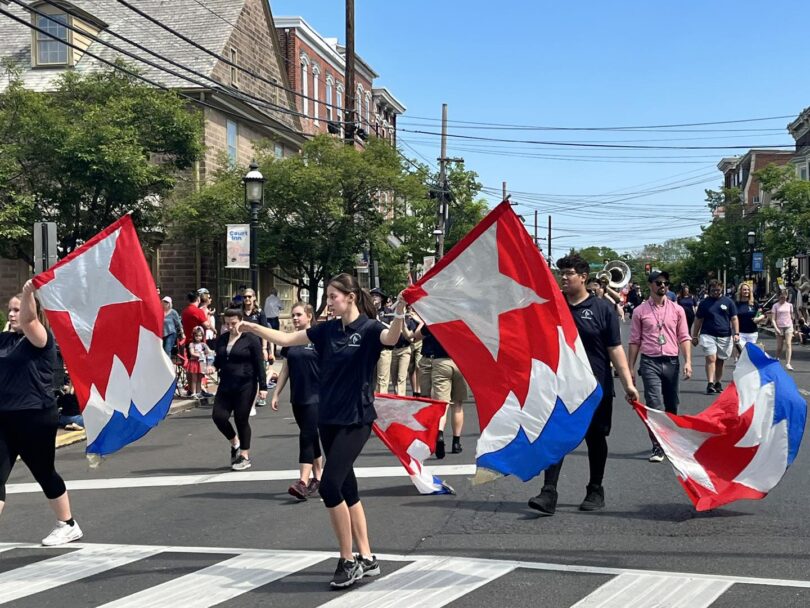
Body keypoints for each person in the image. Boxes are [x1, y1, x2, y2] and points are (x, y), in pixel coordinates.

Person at [239, 273, 406, 589]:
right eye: (327, 297)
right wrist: (251, 327)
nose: (328, 303)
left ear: (350, 297)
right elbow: (287, 340)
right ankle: (368, 558)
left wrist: (399, 312)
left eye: (333, 297)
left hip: (356, 420)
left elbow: (392, 339)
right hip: (328, 419)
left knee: (329, 486)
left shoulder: (369, 329)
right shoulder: (326, 330)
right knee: (347, 489)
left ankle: (347, 561)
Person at [528, 255, 638, 516]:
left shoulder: (602, 310)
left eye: (569, 274)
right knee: (556, 437)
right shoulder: (554, 308)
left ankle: (595, 488)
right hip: (562, 388)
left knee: (596, 438)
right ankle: (548, 492)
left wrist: (628, 384)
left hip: (596, 388)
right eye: (561, 273)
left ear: (583, 278)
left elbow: (615, 348)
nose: (563, 278)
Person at [0, 281, 82, 546]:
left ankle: (68, 524)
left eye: (17, 309)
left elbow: (29, 319)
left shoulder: (41, 339)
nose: (13, 314)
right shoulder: (4, 340)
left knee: (44, 472)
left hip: (35, 415)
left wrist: (27, 293)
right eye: (9, 310)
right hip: (5, 417)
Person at [627, 271, 692, 463]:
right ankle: (657, 446)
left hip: (671, 360)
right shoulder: (640, 311)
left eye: (665, 283)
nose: (662, 286)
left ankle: (670, 442)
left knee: (672, 404)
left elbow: (684, 336)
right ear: (650, 285)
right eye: (658, 283)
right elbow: (634, 341)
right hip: (650, 361)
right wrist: (630, 367)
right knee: (654, 405)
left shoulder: (677, 310)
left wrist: (688, 361)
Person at [272, 302, 322, 500]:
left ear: (309, 316)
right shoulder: (290, 340)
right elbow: (286, 368)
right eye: (293, 315)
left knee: (306, 436)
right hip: (298, 397)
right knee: (310, 435)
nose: (294, 318)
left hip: (316, 396)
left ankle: (302, 481)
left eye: (299, 315)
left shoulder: (318, 338)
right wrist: (276, 393)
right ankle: (319, 477)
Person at [212, 309, 267, 471]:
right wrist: (211, 366)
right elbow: (219, 360)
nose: (231, 327)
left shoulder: (250, 339)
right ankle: (234, 442)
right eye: (227, 324)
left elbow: (259, 364)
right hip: (226, 384)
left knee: (241, 419)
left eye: (234, 323)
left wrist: (263, 386)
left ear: (242, 321)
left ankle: (244, 455)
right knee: (218, 416)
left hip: (246, 384)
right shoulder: (222, 339)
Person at [413, 321, 468, 457]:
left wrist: (421, 322)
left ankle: (439, 434)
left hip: (439, 361)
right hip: (460, 361)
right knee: (458, 404)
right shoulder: (463, 320)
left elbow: (416, 336)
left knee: (441, 404)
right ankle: (456, 442)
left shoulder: (435, 319)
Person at [691, 279, 739, 394]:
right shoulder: (704, 303)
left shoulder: (728, 302)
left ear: (721, 289)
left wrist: (736, 333)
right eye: (713, 290)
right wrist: (695, 335)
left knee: (720, 360)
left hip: (724, 335)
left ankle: (718, 382)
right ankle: (710, 383)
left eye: (718, 290)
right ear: (709, 290)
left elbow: (734, 318)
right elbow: (698, 320)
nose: (716, 292)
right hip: (708, 334)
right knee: (711, 358)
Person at [370, 288, 394, 393]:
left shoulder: (388, 312)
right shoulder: (368, 311)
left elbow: (392, 329)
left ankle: (383, 402)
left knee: (382, 379)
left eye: (376, 295)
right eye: (372, 295)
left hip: (384, 349)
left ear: (381, 298)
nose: (374, 297)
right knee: (370, 378)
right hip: (370, 348)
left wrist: (379, 322)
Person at [389, 309, 416, 396]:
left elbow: (411, 339)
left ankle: (401, 397)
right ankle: (397, 395)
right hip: (393, 350)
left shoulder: (409, 322)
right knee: (394, 377)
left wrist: (403, 327)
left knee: (401, 377)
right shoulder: (392, 321)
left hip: (405, 350)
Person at [734, 283, 764, 357]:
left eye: (748, 290)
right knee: (741, 351)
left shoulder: (754, 303)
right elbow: (733, 317)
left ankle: (748, 367)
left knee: (750, 353)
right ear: (740, 291)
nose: (746, 291)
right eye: (744, 290)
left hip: (752, 333)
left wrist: (758, 318)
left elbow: (761, 314)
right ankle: (739, 364)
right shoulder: (736, 304)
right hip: (741, 332)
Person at [771, 289, 797, 371]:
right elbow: (773, 319)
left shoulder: (790, 305)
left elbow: (792, 317)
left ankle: (788, 363)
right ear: (778, 296)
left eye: (785, 296)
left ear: (787, 296)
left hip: (788, 326)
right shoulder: (775, 306)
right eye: (781, 296)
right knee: (779, 347)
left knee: (788, 344)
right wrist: (776, 328)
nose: (783, 298)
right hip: (779, 327)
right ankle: (776, 359)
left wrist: (795, 328)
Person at [185, 326, 213, 398]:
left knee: (200, 378)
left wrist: (211, 353)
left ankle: (198, 392)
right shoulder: (192, 344)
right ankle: (193, 392)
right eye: (196, 335)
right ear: (193, 336)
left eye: (200, 336)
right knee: (194, 378)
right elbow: (192, 353)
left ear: (202, 336)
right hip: (194, 362)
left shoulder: (203, 344)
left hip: (201, 362)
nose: (198, 337)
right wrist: (200, 355)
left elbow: (208, 351)